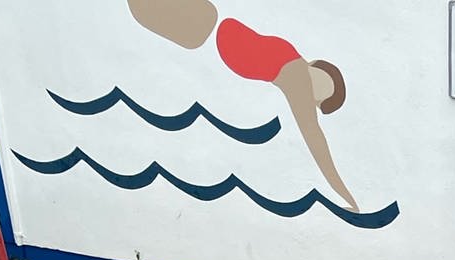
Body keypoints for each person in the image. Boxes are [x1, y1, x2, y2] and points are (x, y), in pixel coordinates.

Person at [126, 0, 360, 211]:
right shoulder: (297, 72)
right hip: (208, 26)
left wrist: (346, 196)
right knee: (153, 14)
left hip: (208, 29)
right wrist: (348, 198)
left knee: (148, 13)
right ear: (317, 65)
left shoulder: (294, 78)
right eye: (321, 83)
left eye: (317, 96)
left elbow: (313, 135)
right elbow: (314, 137)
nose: (311, 91)